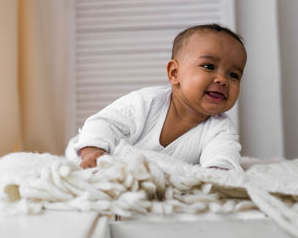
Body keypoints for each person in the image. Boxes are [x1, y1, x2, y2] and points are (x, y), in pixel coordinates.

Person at [65, 23, 247, 170]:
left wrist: (218, 172)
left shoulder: (220, 129)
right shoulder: (145, 103)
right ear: (175, 73)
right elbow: (103, 123)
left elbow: (223, 160)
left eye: (234, 75)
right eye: (208, 66)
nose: (223, 80)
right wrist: (93, 150)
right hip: (104, 156)